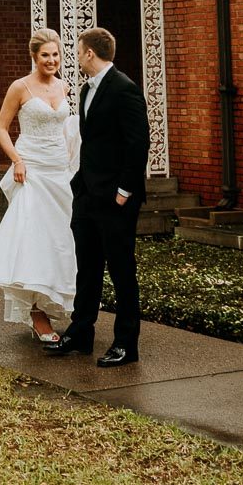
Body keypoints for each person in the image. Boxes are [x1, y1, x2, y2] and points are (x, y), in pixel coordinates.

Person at [46, 27, 150, 367]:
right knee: (86, 268)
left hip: (116, 199)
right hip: (88, 195)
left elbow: (138, 144)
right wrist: (80, 186)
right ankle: (80, 333)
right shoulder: (86, 90)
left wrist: (124, 191)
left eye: (78, 51)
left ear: (90, 53)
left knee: (121, 271)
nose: (75, 56)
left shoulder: (124, 89)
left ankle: (125, 344)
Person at [0, 29, 79, 343]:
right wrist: (17, 160)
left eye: (56, 55)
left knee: (61, 240)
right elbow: (1, 128)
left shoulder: (64, 86)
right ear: (34, 56)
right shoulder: (19, 87)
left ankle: (58, 302)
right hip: (32, 170)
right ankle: (36, 313)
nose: (52, 60)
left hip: (60, 171)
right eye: (46, 55)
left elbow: (67, 127)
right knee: (34, 238)